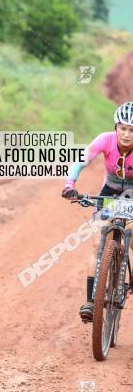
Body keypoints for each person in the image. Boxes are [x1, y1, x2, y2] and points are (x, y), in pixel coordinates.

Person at [62, 101, 133, 322]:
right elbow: (80, 162)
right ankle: (91, 303)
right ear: (116, 127)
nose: (127, 135)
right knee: (97, 243)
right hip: (109, 192)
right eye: (123, 128)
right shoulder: (105, 140)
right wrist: (70, 185)